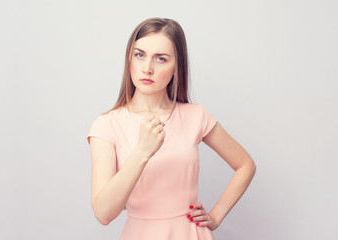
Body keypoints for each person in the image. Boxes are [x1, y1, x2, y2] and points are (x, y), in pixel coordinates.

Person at [87, 17, 256, 240]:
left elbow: (245, 165)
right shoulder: (107, 124)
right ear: (129, 59)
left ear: (177, 66)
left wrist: (216, 216)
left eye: (161, 59)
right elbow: (104, 213)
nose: (147, 68)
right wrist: (142, 152)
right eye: (140, 55)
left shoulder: (195, 115)